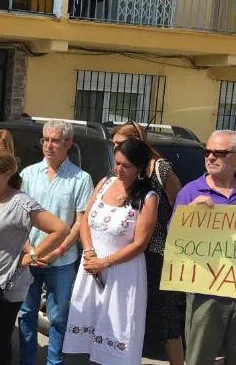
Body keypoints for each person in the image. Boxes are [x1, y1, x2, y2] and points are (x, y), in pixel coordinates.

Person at [62, 138, 158, 365]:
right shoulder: (105, 183)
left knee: (115, 336)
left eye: (126, 166)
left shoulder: (148, 197)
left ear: (140, 168)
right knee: (87, 334)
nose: (119, 170)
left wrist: (104, 263)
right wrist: (89, 252)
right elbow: (85, 217)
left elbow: (140, 244)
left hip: (122, 275)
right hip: (92, 265)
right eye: (117, 163)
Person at [0, 149, 69, 365]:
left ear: (7, 173)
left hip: (5, 289)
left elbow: (60, 229)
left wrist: (31, 256)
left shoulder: (21, 203)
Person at [17, 120, 93, 365]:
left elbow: (80, 222)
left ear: (68, 143)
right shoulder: (28, 174)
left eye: (55, 140)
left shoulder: (81, 179)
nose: (48, 145)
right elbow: (19, 216)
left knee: (59, 317)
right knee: (27, 313)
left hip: (62, 260)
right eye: (45, 140)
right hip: (31, 257)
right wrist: (31, 250)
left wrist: (58, 250)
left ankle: (54, 362)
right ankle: (27, 360)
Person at [112, 121, 184, 365]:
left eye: (120, 144)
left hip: (159, 255)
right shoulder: (126, 171)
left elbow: (180, 204)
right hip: (131, 254)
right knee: (132, 316)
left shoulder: (159, 168)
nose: (116, 151)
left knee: (167, 322)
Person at [171, 130, 236, 365]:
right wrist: (189, 216)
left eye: (218, 153)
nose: (210, 157)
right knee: (199, 359)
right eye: (207, 152)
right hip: (204, 294)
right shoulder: (190, 191)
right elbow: (173, 242)